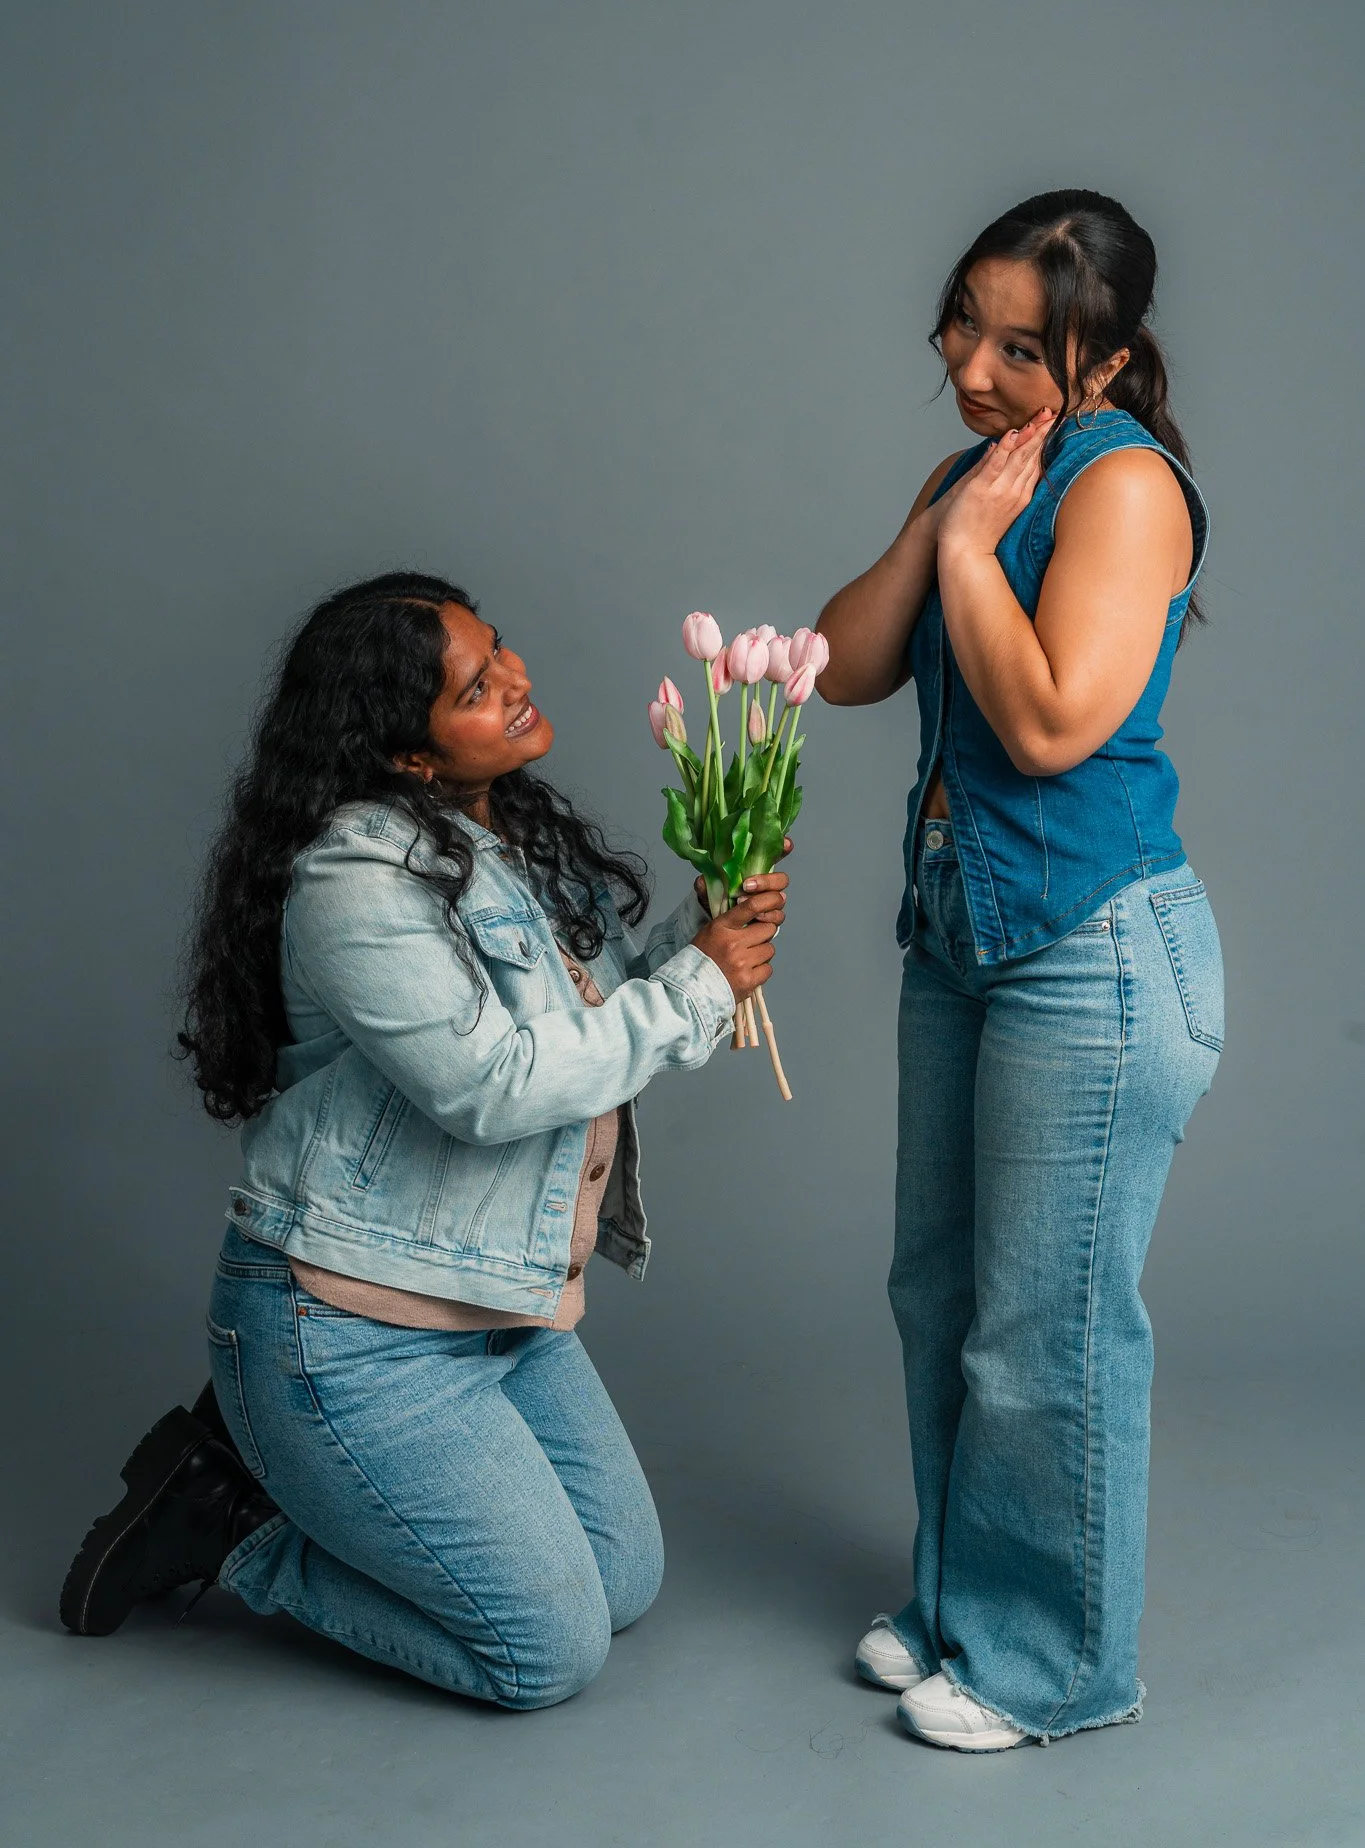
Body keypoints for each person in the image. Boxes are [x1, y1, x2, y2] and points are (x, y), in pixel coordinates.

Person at [61, 571, 789, 1709]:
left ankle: (300, 1491)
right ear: (407, 752)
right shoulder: (352, 878)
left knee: (624, 1581)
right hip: (348, 1328)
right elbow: (493, 1085)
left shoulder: (497, 836)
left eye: (498, 652)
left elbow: (584, 1033)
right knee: (545, 1654)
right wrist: (698, 987)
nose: (515, 682)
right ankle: (231, 1524)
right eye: (474, 688)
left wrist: (701, 937)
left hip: (495, 1302)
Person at [817, 190, 1222, 1751]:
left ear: (1102, 364)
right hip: (962, 934)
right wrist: (942, 526)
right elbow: (847, 664)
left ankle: (1056, 1669)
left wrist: (973, 548)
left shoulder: (1124, 486)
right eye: (962, 328)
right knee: (942, 1297)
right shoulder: (971, 477)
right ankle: (961, 1607)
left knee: (1043, 1328)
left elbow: (1051, 723)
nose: (971, 369)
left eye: (1016, 348)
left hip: (1092, 953)